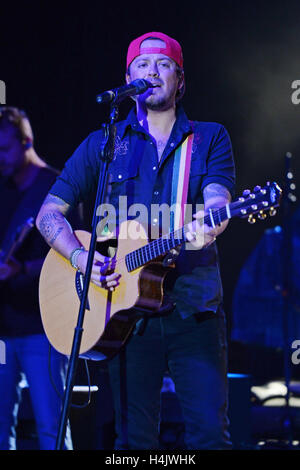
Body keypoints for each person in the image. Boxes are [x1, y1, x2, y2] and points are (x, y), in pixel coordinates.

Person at [36, 32, 236, 450]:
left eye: (163, 64)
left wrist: (209, 223)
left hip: (192, 309)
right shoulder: (105, 144)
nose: (152, 72)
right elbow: (48, 215)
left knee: (209, 436)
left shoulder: (209, 137)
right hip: (122, 314)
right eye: (142, 66)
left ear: (180, 81)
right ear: (128, 79)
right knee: (133, 441)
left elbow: (217, 202)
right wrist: (80, 257)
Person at [0, 106, 73, 450]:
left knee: (51, 431)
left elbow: (76, 254)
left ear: (26, 140)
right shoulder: (3, 190)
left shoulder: (56, 188)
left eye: (3, 149)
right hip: (3, 328)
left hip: (42, 327)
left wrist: (21, 270)